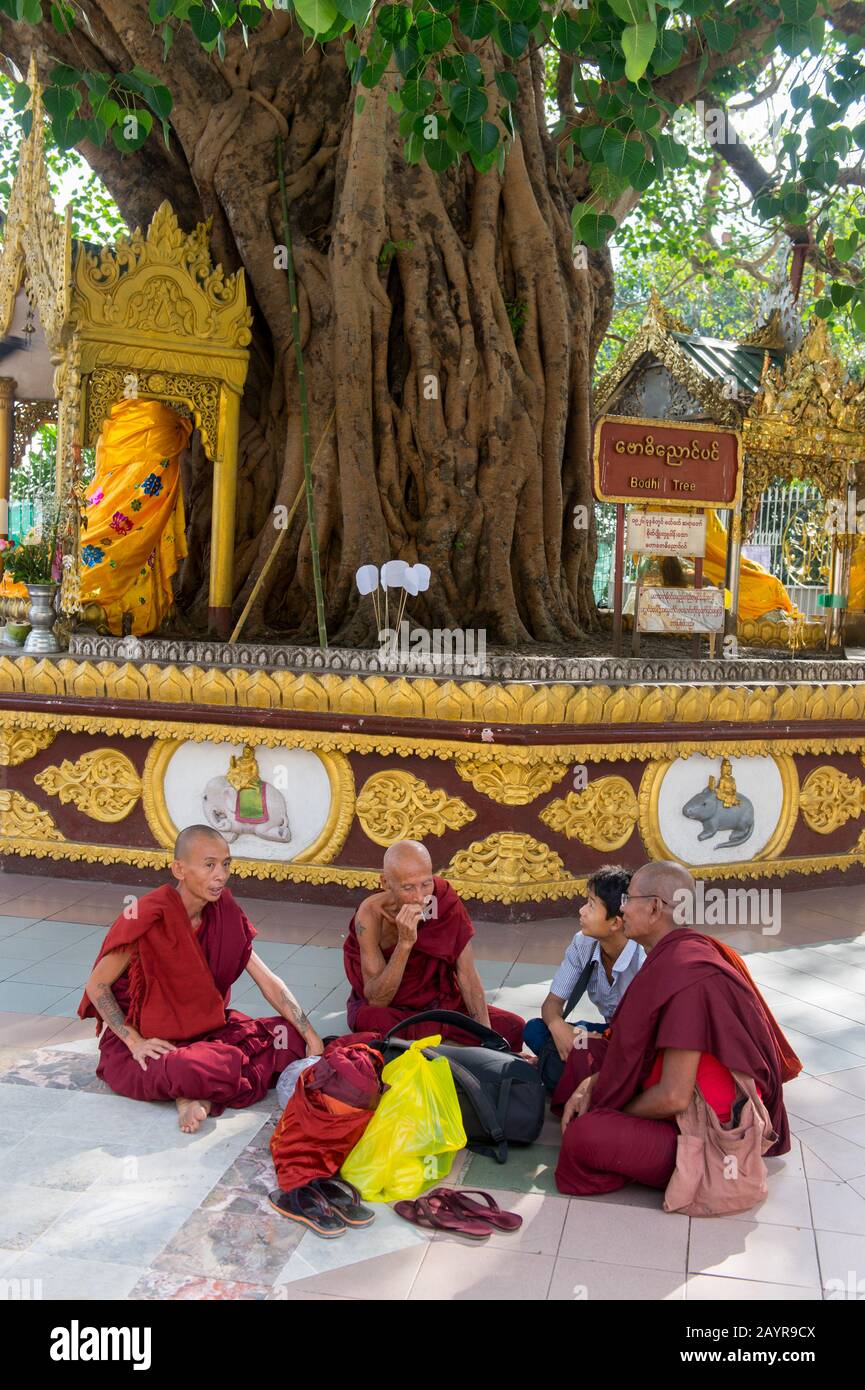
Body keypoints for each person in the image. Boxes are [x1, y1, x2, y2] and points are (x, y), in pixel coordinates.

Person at [553, 860, 799, 1197]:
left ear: (654, 908)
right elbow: (638, 1048)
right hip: (678, 1099)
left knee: (586, 1135)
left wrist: (612, 1110)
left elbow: (674, 1095)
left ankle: (651, 1152)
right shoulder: (672, 956)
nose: (621, 910)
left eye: (628, 900)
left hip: (707, 1129)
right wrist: (596, 1083)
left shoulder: (688, 974)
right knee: (586, 1058)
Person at [79, 825, 324, 1133]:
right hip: (151, 1042)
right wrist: (134, 1041)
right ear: (179, 869)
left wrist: (312, 1036)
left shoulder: (224, 915)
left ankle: (194, 1096)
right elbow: (96, 985)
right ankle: (198, 1091)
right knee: (187, 1065)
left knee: (288, 1037)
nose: (220, 875)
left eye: (226, 864)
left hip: (209, 1033)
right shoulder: (147, 915)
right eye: (209, 865)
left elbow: (268, 981)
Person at [343, 839, 525, 1052]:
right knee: (369, 1019)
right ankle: (450, 1049)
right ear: (385, 883)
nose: (420, 897)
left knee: (513, 1027)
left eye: (426, 883)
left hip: (440, 1005)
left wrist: (488, 1039)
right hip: (396, 1011)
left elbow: (467, 974)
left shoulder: (443, 898)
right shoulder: (370, 916)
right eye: (408, 888)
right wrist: (404, 943)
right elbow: (377, 999)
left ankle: (431, 1049)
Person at [523, 866, 643, 1080]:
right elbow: (552, 1004)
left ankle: (569, 1072)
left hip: (634, 1044)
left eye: (591, 905)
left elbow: (646, 1034)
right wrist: (560, 1027)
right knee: (535, 1030)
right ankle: (585, 1073)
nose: (582, 910)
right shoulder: (583, 942)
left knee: (632, 1064)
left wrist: (593, 1038)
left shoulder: (643, 958)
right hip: (603, 1036)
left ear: (615, 922)